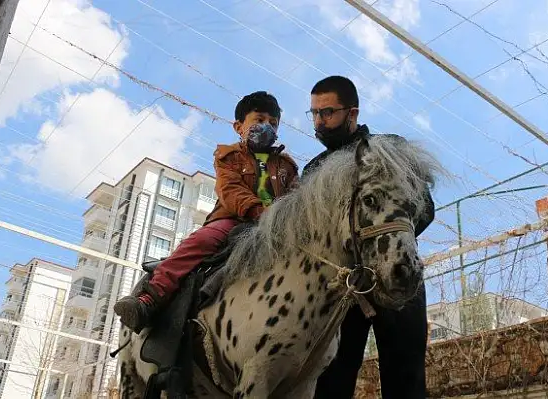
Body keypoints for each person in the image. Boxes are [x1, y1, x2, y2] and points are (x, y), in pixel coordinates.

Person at [114, 91, 299, 333]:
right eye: (259, 120)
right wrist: (259, 211)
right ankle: (151, 297)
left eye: (273, 123)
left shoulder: (286, 165)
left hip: (278, 225)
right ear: (238, 126)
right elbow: (230, 190)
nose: (267, 127)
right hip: (234, 219)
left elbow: (296, 195)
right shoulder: (228, 156)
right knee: (200, 241)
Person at [305, 76, 435, 399]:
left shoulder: (391, 150)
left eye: (328, 113)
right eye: (315, 114)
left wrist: (384, 244)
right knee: (331, 380)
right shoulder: (314, 171)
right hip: (341, 289)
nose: (320, 122)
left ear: (352, 113)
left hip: (397, 273)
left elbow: (425, 207)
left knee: (406, 380)